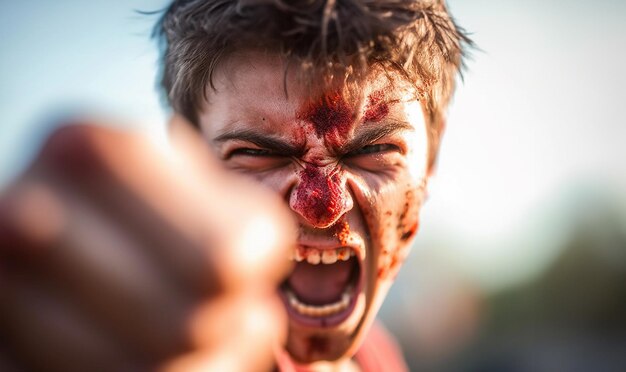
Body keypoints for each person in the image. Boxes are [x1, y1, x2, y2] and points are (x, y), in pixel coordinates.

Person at [0, 0, 471, 371]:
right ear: (189, 164)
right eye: (259, 154)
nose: (320, 206)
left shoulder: (377, 356)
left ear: (433, 158)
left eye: (370, 152)